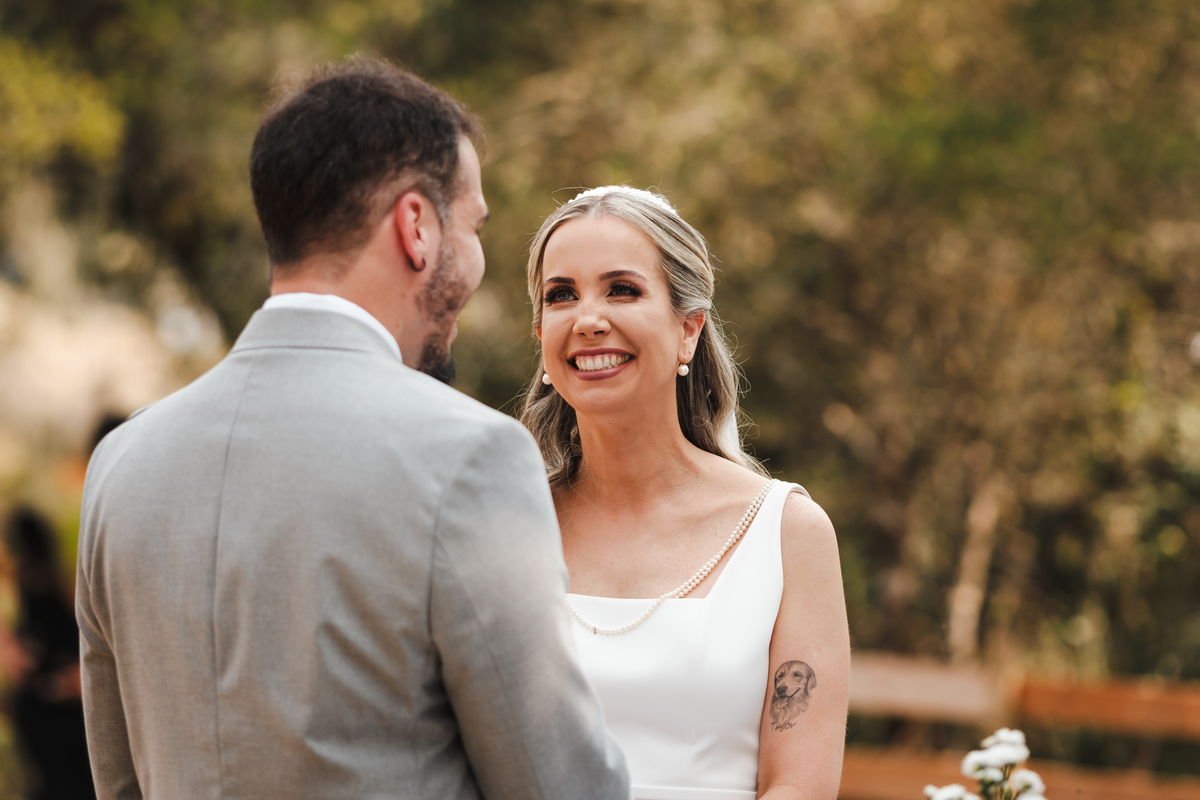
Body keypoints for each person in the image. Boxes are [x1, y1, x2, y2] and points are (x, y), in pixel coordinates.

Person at [76, 58, 629, 800]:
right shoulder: (469, 456)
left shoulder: (121, 462)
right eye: (473, 225)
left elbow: (118, 781)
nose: (476, 259)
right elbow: (559, 787)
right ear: (416, 227)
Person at [520, 186, 851, 799]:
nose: (588, 319)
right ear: (541, 334)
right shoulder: (505, 527)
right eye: (562, 295)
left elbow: (799, 786)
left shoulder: (787, 534)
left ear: (688, 330)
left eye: (622, 289)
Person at [2, 506, 95, 800]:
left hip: (54, 706)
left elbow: (21, 664)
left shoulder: (33, 586)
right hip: (67, 707)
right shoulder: (60, 582)